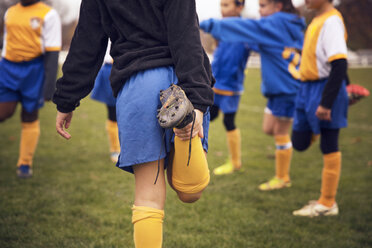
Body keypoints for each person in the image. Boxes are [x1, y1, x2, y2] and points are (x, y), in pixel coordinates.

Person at [52, 1, 214, 247]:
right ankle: (185, 122)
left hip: (138, 84)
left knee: (148, 197)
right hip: (182, 82)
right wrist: (197, 99)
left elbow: (87, 43)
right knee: (191, 192)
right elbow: (186, 35)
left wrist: (67, 99)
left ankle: (185, 125)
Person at [200, 0, 305, 189]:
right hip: (269, 90)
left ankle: (282, 177)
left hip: (280, 89)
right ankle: (306, 126)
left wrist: (204, 24)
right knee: (268, 129)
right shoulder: (280, 27)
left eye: (263, 5)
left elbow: (249, 34)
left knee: (278, 132)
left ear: (278, 6)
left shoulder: (260, 28)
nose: (259, 10)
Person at [292, 0, 349, 217]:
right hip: (306, 89)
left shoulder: (332, 20)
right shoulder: (317, 19)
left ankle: (327, 203)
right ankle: (316, 127)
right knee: (299, 141)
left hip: (323, 89)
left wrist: (327, 102)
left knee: (329, 143)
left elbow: (340, 63)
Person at [0, 0, 61, 178]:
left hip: (34, 71)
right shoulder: (10, 12)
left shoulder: (48, 14)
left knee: (29, 115)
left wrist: (49, 87)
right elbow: (7, 42)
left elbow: (52, 52)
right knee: (4, 112)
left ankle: (24, 163)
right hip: (8, 69)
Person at [206, 0, 251, 175]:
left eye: (227, 5)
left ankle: (235, 162)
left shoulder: (245, 29)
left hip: (231, 86)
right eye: (221, 5)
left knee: (228, 121)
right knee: (207, 116)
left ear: (240, 7)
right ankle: (194, 155)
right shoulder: (221, 28)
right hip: (215, 83)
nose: (222, 9)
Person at [90, 42, 120, 163]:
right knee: (113, 114)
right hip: (110, 69)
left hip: (129, 67)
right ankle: (115, 149)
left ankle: (128, 146)